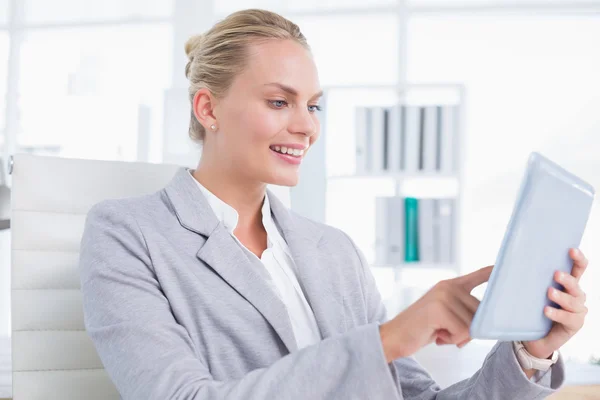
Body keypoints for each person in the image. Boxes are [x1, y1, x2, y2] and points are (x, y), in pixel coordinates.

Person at [79, 8, 589, 400]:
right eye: (279, 102)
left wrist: (531, 349)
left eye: (313, 104)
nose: (306, 125)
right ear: (208, 107)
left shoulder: (333, 251)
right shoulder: (128, 234)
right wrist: (387, 340)